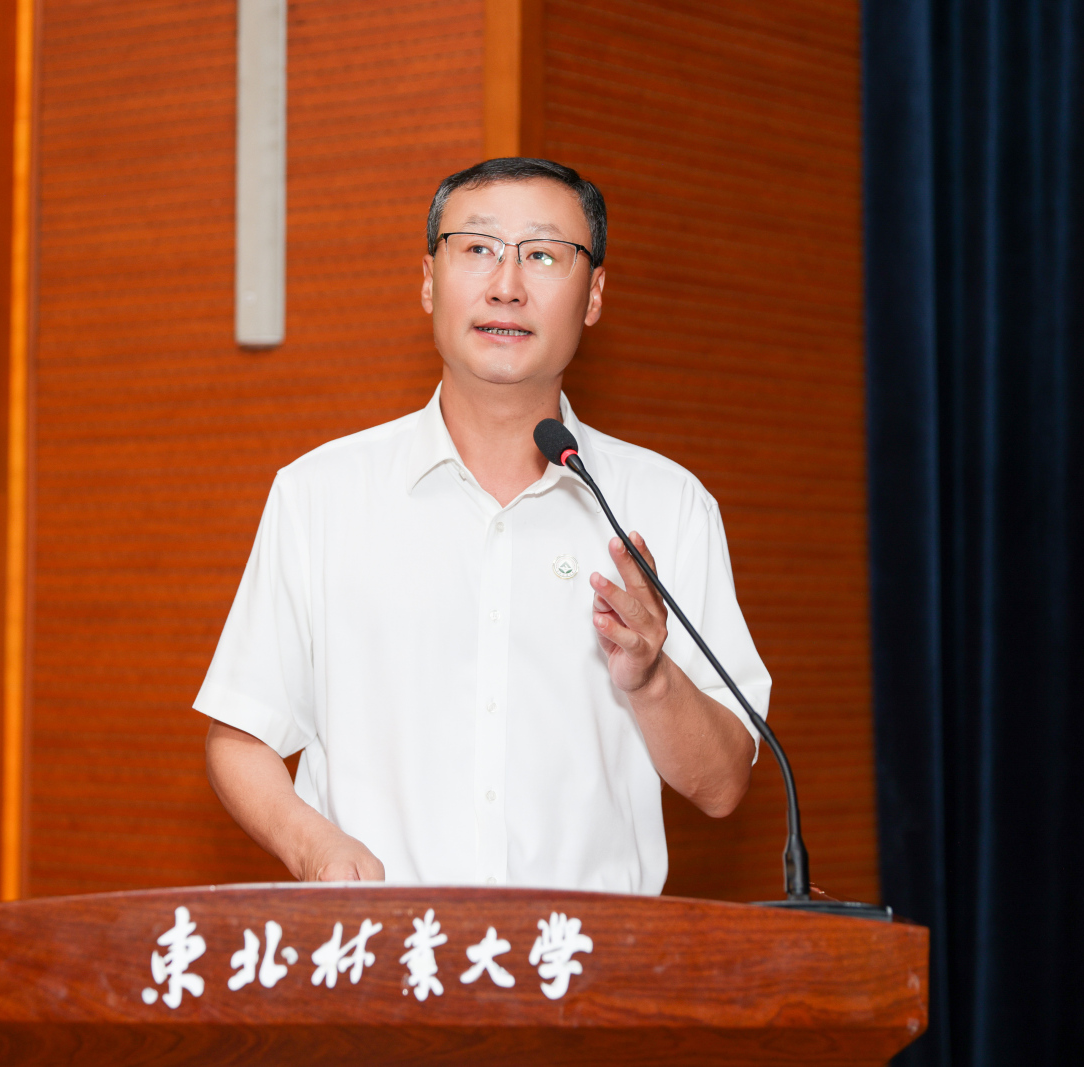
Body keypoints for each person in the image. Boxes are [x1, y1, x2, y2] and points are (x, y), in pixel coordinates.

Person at [196, 157, 770, 894]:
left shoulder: (666, 505)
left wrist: (653, 678)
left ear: (594, 294)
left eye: (543, 255)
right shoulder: (320, 495)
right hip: (384, 947)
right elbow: (241, 736)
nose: (507, 285)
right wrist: (315, 848)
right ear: (428, 280)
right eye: (477, 248)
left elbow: (723, 784)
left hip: (587, 957)